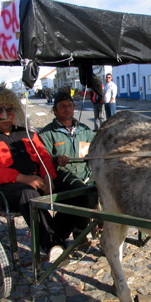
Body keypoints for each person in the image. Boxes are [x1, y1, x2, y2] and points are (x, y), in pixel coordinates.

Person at [0, 86, 82, 263]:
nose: (5, 116)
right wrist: (23, 179)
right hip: (9, 189)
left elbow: (44, 158)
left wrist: (49, 176)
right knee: (28, 195)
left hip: (39, 180)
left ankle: (57, 235)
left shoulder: (29, 135)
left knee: (78, 191)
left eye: (9, 110)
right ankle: (53, 245)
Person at [38, 91, 99, 238]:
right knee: (85, 194)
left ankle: (92, 225)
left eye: (70, 105)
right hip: (62, 175)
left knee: (107, 187)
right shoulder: (47, 133)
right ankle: (65, 233)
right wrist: (56, 159)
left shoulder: (84, 130)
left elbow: (97, 146)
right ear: (55, 110)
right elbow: (42, 158)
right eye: (62, 106)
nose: (67, 109)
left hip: (86, 172)